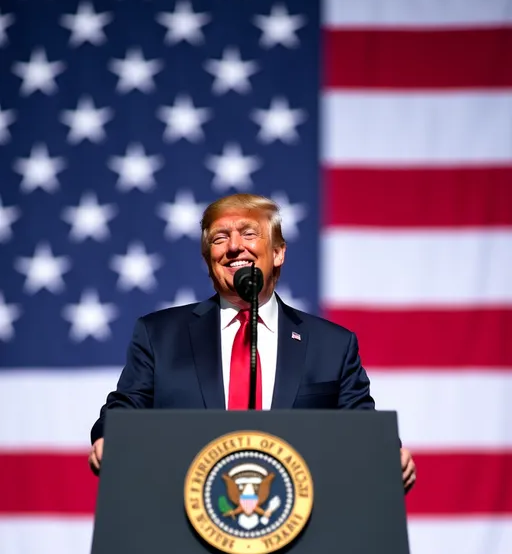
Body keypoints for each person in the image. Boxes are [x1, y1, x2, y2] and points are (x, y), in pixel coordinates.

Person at [88, 193, 416, 491]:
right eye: (220, 238)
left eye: (248, 233)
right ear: (208, 259)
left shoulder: (332, 345)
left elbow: (362, 427)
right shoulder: (159, 335)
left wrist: (387, 453)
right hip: (182, 519)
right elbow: (125, 408)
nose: (234, 247)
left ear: (278, 252)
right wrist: (109, 435)